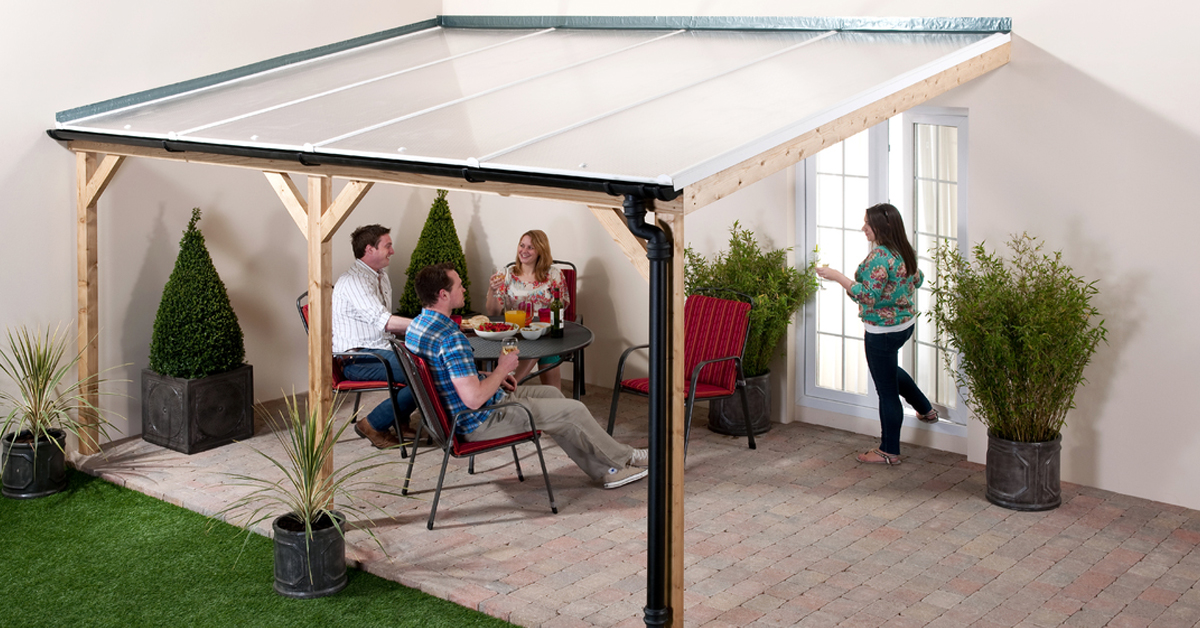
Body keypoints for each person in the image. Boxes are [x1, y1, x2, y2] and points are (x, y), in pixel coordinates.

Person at [407, 263, 648, 489]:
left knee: (553, 393)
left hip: (460, 414)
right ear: (443, 295)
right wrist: (503, 367)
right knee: (573, 411)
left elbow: (446, 374)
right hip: (479, 421)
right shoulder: (451, 338)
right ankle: (622, 459)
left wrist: (485, 375)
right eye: (459, 285)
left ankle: (607, 469)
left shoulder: (417, 327)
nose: (464, 288)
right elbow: (473, 399)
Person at [814, 203, 938, 466]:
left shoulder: (878, 257)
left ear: (881, 227)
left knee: (886, 391)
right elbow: (918, 280)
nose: (863, 229)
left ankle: (889, 451)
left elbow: (867, 296)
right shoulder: (904, 250)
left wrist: (837, 276)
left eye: (867, 225)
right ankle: (925, 408)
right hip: (904, 326)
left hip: (881, 332)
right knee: (888, 371)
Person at [331, 224, 417, 449]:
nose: (392, 251)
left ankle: (398, 421)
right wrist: (425, 325)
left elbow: (385, 325)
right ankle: (372, 424)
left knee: (423, 363)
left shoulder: (379, 276)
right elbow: (386, 321)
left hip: (379, 349)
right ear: (369, 249)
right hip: (358, 359)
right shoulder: (355, 282)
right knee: (421, 374)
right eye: (388, 246)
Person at [485, 230, 571, 389]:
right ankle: (512, 385)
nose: (524, 251)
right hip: (515, 331)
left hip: (543, 331)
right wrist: (492, 289)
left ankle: (509, 383)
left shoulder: (553, 274)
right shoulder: (506, 274)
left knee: (543, 346)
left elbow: (561, 307)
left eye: (530, 247)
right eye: (522, 245)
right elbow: (493, 312)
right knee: (545, 351)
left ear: (541, 250)